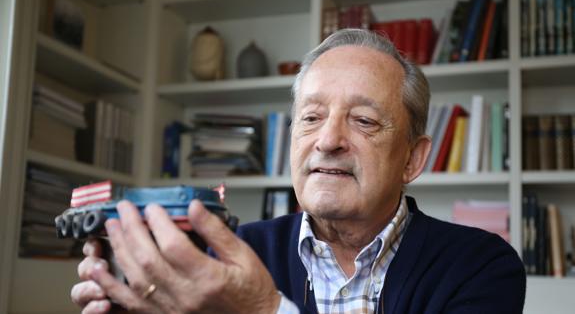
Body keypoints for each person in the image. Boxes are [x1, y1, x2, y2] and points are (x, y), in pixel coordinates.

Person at [71, 29, 526, 314]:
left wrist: (262, 311)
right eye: (310, 118)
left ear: (412, 158)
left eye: (364, 121)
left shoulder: (482, 266)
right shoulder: (233, 253)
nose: (328, 140)